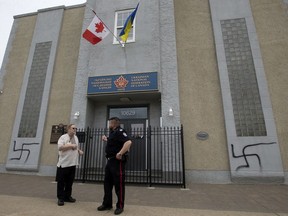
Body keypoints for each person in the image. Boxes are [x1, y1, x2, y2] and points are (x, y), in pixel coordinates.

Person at [97, 117, 132, 215]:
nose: (109, 125)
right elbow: (115, 143)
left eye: (110, 123)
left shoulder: (120, 131)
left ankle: (120, 206)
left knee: (119, 185)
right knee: (107, 183)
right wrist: (107, 139)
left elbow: (128, 142)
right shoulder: (113, 133)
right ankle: (107, 204)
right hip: (110, 161)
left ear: (114, 123)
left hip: (117, 162)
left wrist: (120, 153)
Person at [56, 124, 83, 206]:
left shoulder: (76, 137)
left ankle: (67, 196)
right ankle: (60, 198)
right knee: (61, 182)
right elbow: (60, 147)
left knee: (69, 182)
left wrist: (79, 150)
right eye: (73, 128)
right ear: (68, 129)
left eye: (76, 128)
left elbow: (75, 146)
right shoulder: (63, 137)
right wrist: (71, 145)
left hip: (73, 163)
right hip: (64, 164)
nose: (75, 129)